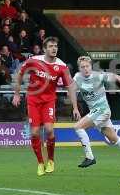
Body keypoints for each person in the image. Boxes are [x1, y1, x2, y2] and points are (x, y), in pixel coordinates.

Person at [12, 37, 80, 176]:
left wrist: (75, 107)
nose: (54, 48)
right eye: (50, 46)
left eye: (55, 46)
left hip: (49, 101)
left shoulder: (62, 66)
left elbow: (71, 87)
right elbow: (19, 74)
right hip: (33, 100)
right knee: (35, 132)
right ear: (44, 49)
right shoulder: (34, 61)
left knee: (49, 130)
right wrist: (17, 94)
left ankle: (51, 160)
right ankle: (40, 163)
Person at [72, 56, 120, 168]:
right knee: (114, 139)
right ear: (79, 68)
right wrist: (75, 107)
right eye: (82, 67)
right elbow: (72, 90)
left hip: (103, 110)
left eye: (87, 66)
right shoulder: (77, 77)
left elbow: (119, 78)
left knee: (78, 127)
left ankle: (90, 157)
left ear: (91, 66)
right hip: (95, 111)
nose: (85, 69)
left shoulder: (99, 76)